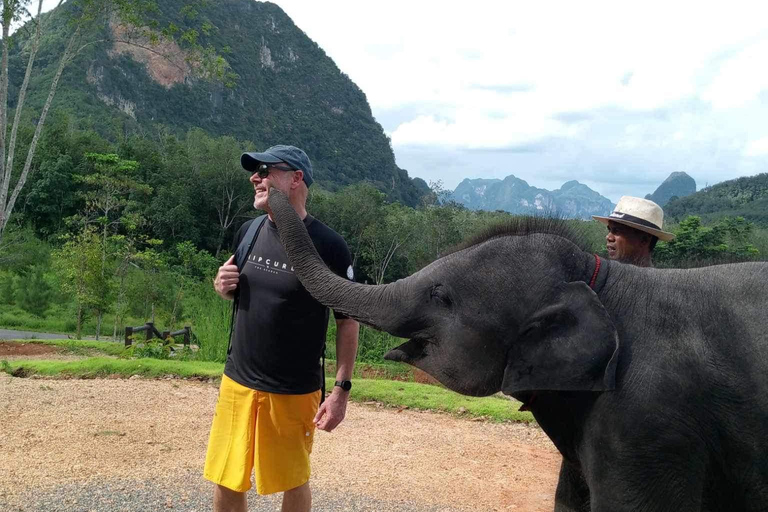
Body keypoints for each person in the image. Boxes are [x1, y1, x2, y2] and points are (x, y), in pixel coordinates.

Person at [205, 144, 359, 512]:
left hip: (294, 391)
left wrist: (341, 390)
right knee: (226, 475)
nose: (254, 177)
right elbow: (242, 295)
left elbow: (347, 321)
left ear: (295, 179)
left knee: (293, 479)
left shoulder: (329, 246)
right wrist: (223, 288)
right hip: (237, 381)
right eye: (255, 171)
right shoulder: (248, 231)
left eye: (265, 170)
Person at [592, 196, 675, 267]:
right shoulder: (608, 280)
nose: (608, 237)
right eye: (609, 230)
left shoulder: (657, 284)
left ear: (644, 240)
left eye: (617, 231)